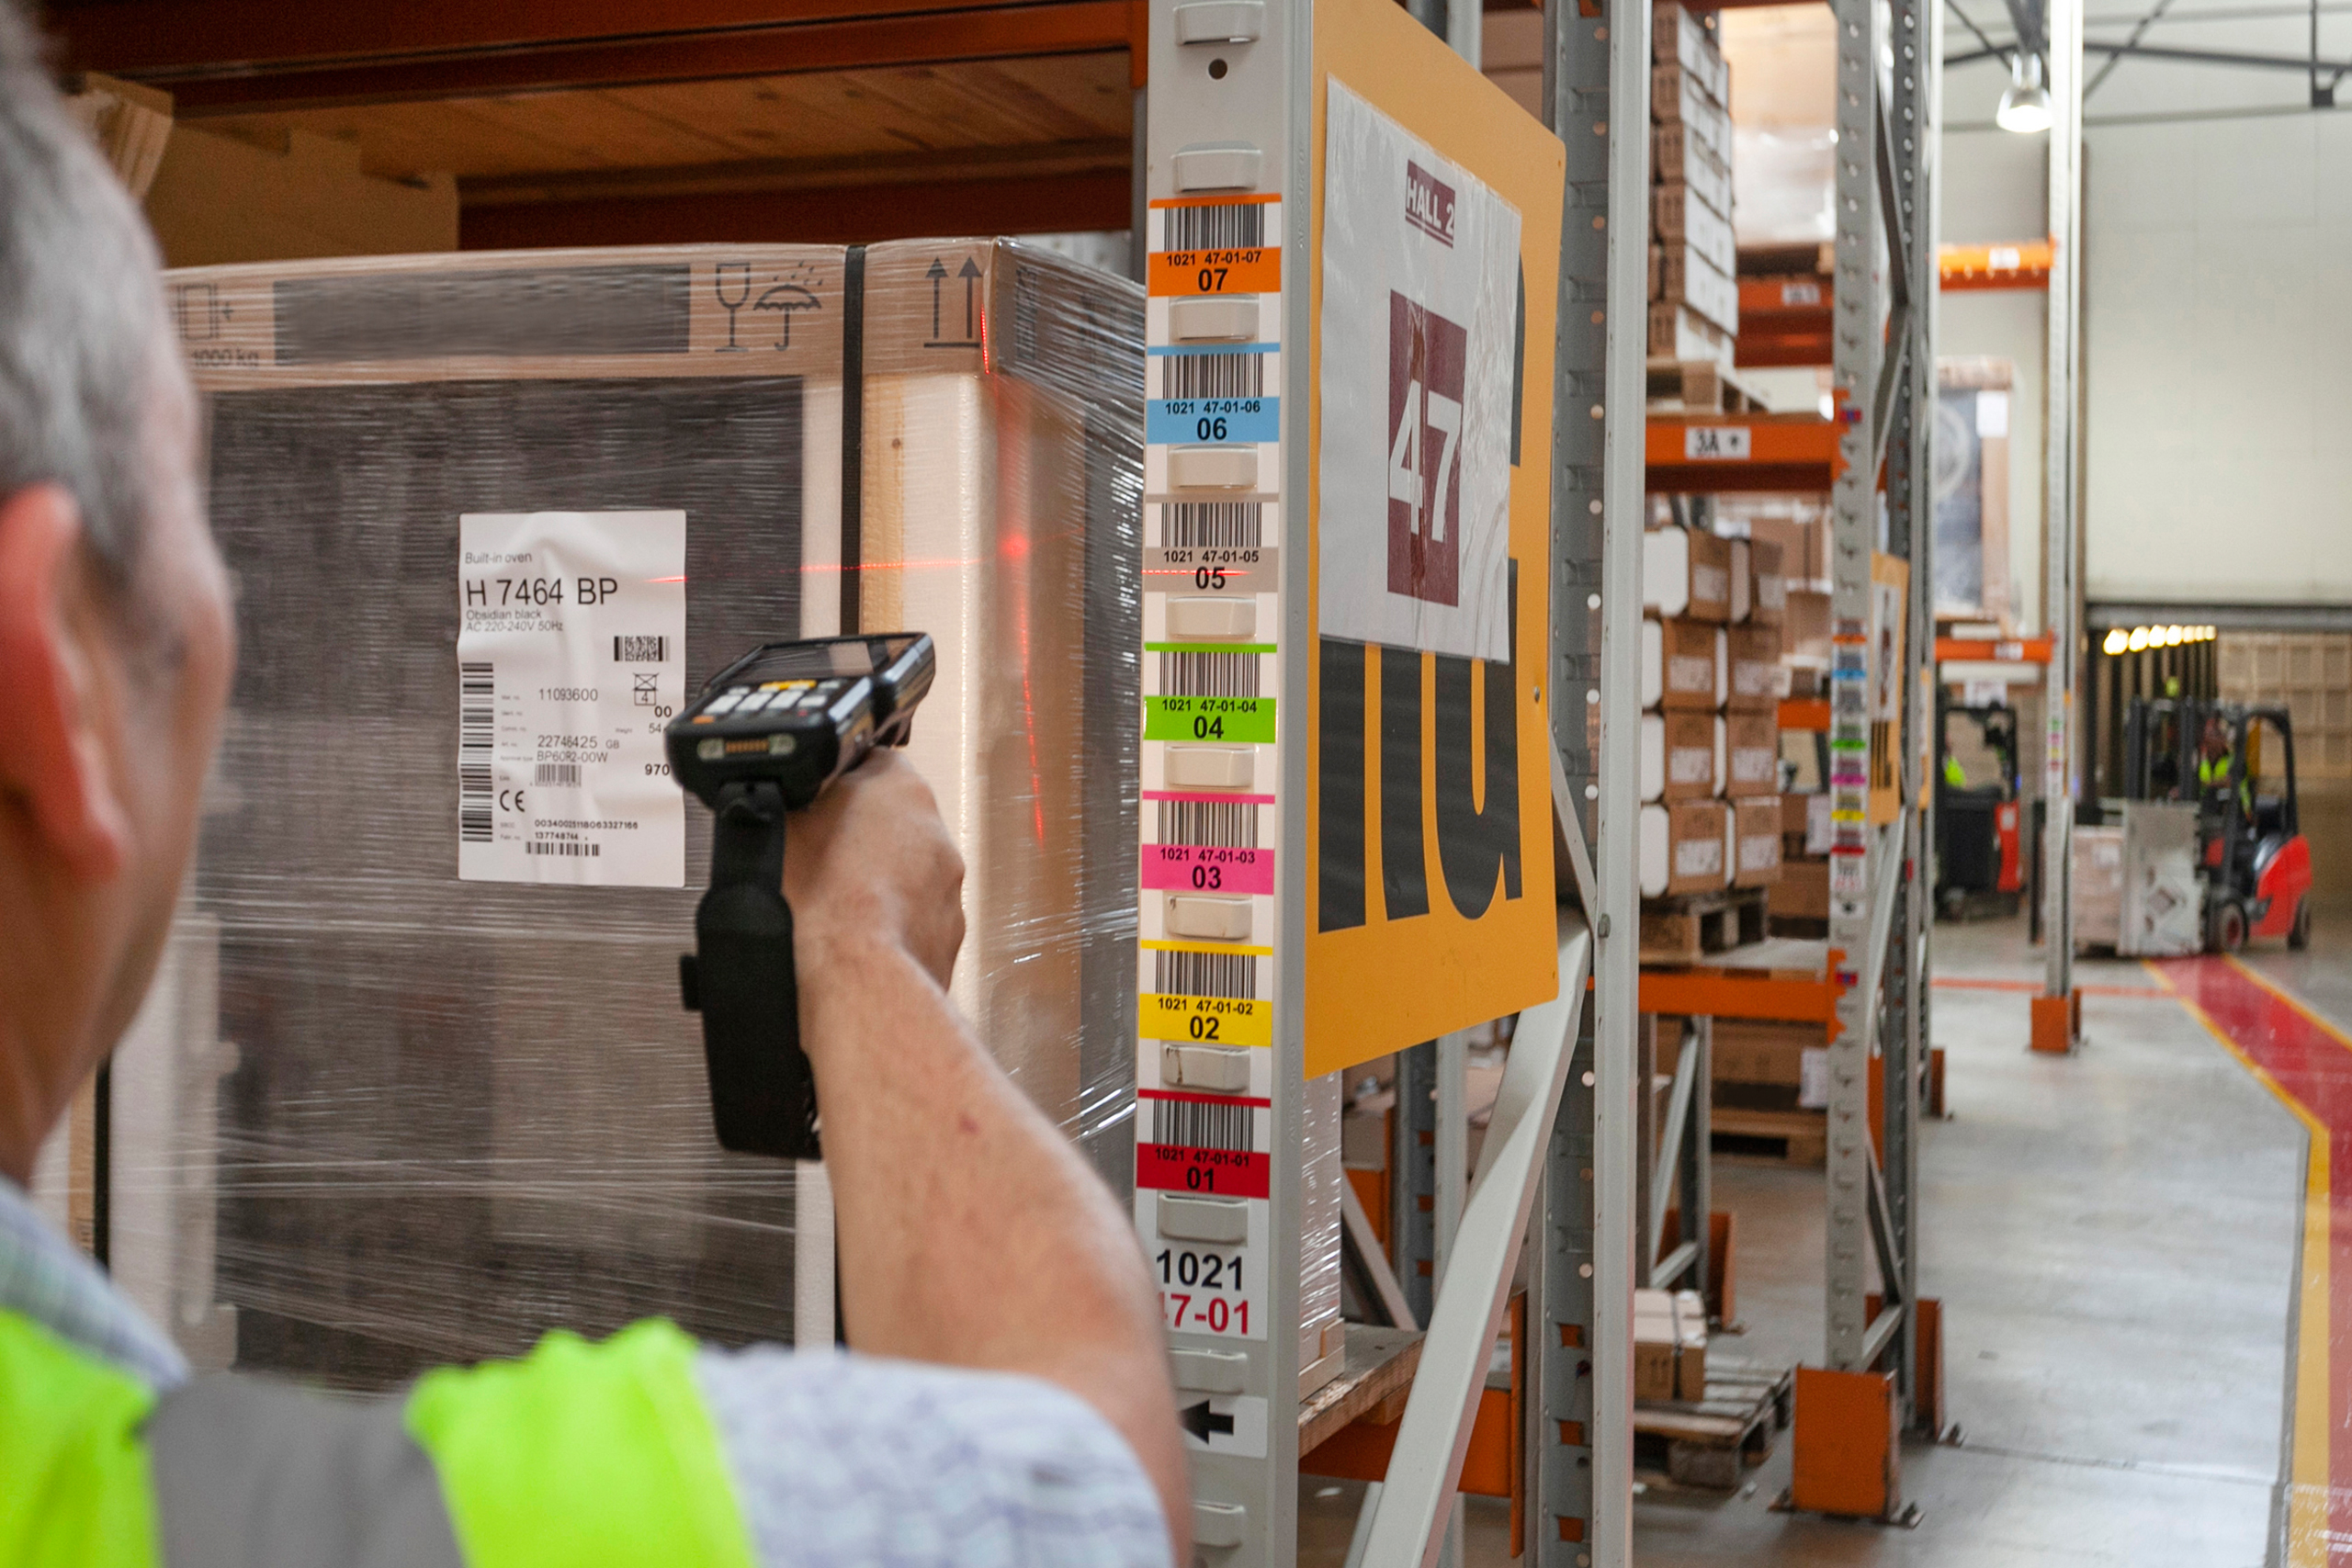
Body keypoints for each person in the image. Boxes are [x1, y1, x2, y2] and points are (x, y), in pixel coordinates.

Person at [0, 10, 1186, 1564]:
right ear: (59, 676)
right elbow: (1095, 1472)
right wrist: (856, 949)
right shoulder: (358, 1523)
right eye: (204, 523)